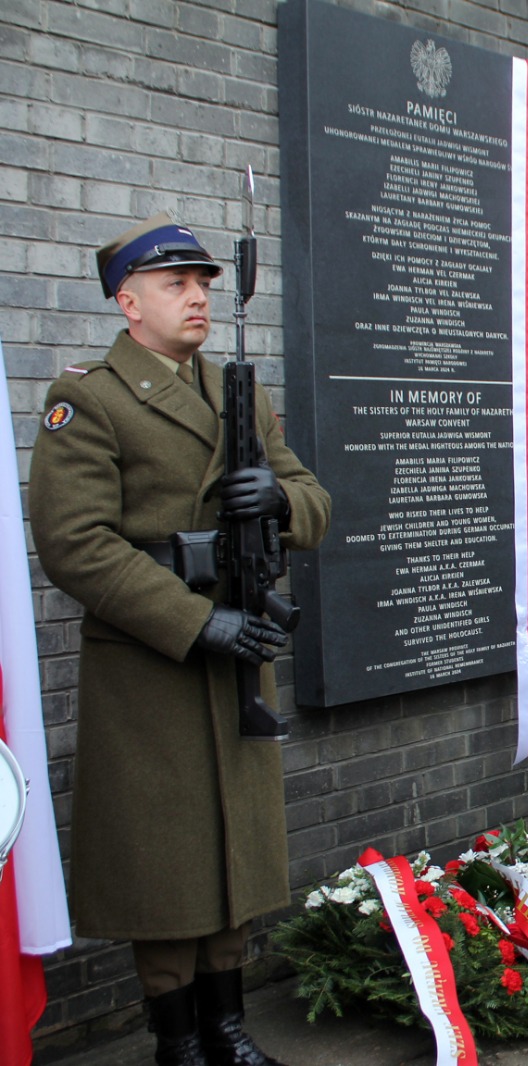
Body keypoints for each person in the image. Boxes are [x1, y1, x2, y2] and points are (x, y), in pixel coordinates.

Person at [29, 214, 331, 1066]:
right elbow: (75, 545)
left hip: (235, 654)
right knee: (165, 860)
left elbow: (314, 501)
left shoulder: (237, 393)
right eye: (175, 284)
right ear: (128, 302)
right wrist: (198, 621)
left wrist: (273, 498)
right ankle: (178, 1039)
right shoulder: (87, 398)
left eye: (203, 284)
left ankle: (228, 1026)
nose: (198, 297)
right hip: (153, 662)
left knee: (232, 844)